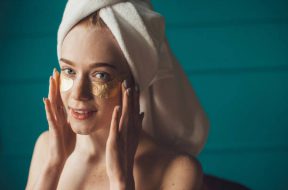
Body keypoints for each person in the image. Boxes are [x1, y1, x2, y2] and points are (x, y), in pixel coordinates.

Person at [25, 0, 209, 189]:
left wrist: (121, 181)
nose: (78, 94)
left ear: (133, 84)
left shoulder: (177, 170)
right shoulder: (46, 148)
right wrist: (53, 166)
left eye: (101, 75)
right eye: (69, 71)